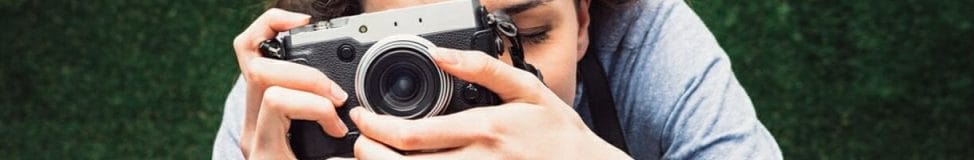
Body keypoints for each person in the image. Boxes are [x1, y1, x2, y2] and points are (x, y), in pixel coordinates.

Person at [213, 0, 783, 159]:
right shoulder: (294, 97)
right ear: (340, 38)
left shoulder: (644, 39)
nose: (490, 76)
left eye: (525, 32)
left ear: (584, 19)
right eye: (406, 64)